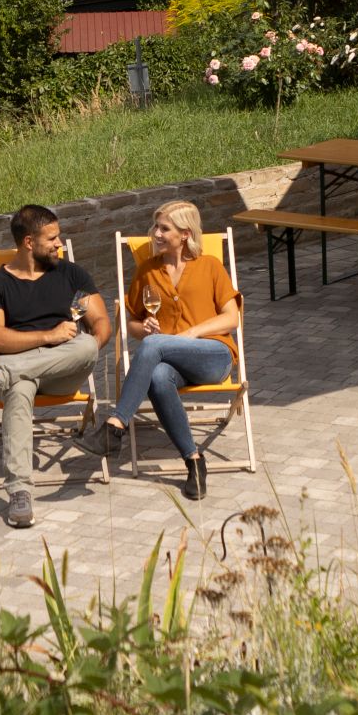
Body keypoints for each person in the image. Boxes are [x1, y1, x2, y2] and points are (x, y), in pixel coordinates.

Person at [0, 205, 113, 530]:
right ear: (29, 242)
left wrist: (84, 348)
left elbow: (101, 323)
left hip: (64, 370)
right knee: (19, 390)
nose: (60, 243)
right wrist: (49, 335)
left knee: (88, 344)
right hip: (23, 371)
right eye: (53, 238)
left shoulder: (70, 274)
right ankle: (20, 493)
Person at [97, 200, 242, 502]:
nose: (156, 234)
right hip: (170, 359)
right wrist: (145, 329)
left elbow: (232, 318)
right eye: (155, 227)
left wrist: (191, 333)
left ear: (186, 233)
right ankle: (194, 461)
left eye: (164, 228)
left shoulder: (209, 266)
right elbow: (134, 324)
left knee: (153, 348)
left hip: (213, 354)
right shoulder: (148, 272)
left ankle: (115, 426)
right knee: (159, 376)